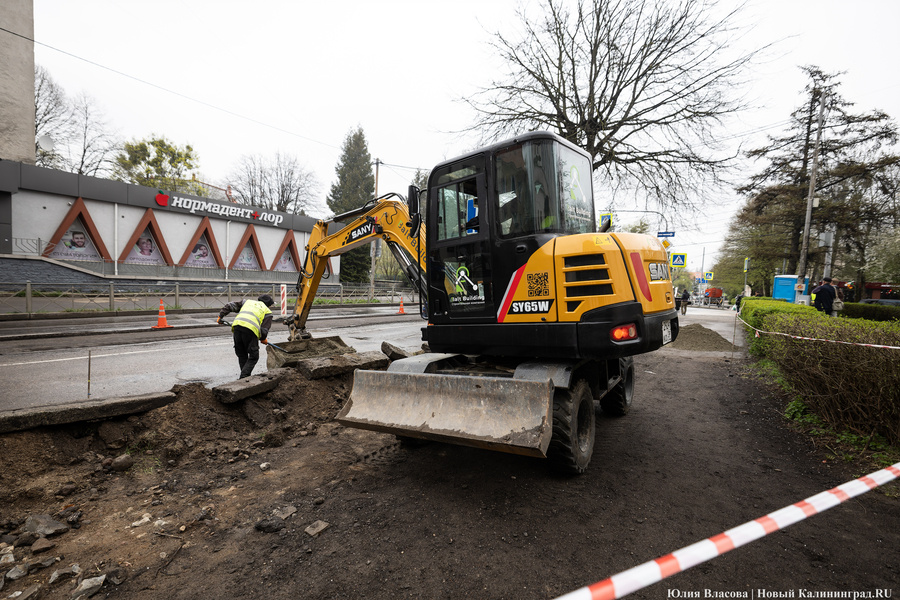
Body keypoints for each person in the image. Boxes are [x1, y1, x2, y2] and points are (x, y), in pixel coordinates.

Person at [218, 294, 275, 378]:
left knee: (242, 354)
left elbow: (230, 306)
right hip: (250, 331)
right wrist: (263, 339)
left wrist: (220, 316)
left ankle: (244, 378)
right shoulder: (267, 311)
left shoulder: (247, 302)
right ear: (269, 305)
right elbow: (264, 330)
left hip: (237, 327)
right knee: (254, 356)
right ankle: (244, 377)